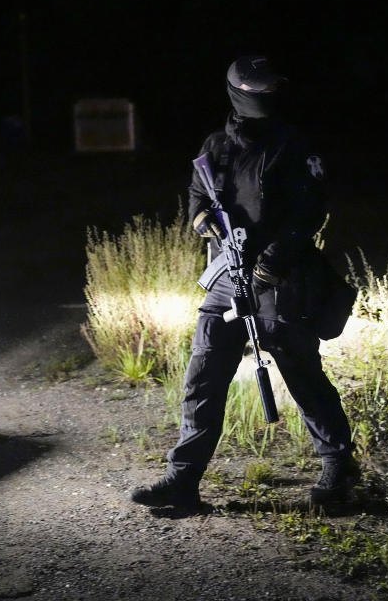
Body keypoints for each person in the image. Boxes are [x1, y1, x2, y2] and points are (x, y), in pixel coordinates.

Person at [130, 56, 359, 509]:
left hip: (281, 281)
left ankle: (338, 468)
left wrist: (270, 264)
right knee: (203, 377)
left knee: (301, 375)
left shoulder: (293, 145)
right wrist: (204, 222)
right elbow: (196, 198)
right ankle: (183, 480)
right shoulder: (216, 146)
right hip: (224, 278)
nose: (267, 101)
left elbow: (307, 212)